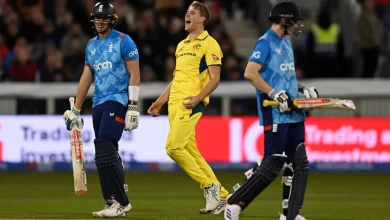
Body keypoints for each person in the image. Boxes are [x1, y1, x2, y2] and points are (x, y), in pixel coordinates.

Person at [224, 1, 318, 220]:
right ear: (283, 20)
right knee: (273, 163)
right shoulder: (265, 43)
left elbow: (288, 78)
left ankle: (291, 214)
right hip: (274, 110)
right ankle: (234, 203)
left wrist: (303, 90)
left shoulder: (286, 45)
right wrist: (274, 93)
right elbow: (250, 73)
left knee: (300, 163)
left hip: (293, 110)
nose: (296, 26)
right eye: (294, 22)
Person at [147, 1, 228, 215]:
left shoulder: (210, 43)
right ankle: (222, 196)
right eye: (186, 12)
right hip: (174, 105)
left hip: (190, 104)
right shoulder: (182, 46)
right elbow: (177, 78)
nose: (186, 15)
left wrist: (198, 97)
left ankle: (209, 187)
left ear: (202, 19)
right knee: (191, 150)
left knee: (173, 148)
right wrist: (160, 101)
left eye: (192, 12)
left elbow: (215, 79)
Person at [62, 2, 141, 218]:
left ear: (112, 20)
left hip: (117, 100)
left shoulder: (124, 41)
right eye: (97, 18)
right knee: (103, 152)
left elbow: (134, 74)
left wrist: (133, 106)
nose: (100, 22)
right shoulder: (91, 45)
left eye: (104, 18)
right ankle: (111, 202)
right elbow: (86, 77)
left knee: (105, 145)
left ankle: (121, 202)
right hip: (98, 103)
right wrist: (76, 109)